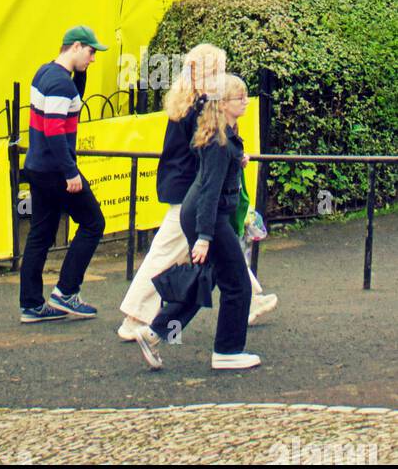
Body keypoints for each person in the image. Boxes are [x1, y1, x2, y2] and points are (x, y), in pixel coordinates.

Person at [118, 47, 276, 341]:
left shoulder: (185, 101)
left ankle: (252, 299)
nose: (223, 77)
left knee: (217, 248)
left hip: (184, 187)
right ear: (206, 72)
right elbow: (207, 151)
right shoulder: (201, 105)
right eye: (218, 70)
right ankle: (135, 317)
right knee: (166, 254)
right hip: (193, 192)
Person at [136, 75, 262, 371]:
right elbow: (209, 190)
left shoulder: (222, 134)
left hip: (200, 214)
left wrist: (237, 160)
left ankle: (154, 332)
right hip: (208, 217)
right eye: (239, 97)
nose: (245, 101)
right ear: (223, 104)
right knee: (237, 284)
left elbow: (213, 172)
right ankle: (227, 352)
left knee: (207, 277)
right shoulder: (219, 141)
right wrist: (205, 237)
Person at [20, 26, 108, 322]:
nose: (93, 59)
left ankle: (31, 304)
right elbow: (54, 130)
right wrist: (71, 172)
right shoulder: (61, 84)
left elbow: (73, 104)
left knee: (40, 234)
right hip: (57, 170)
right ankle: (66, 291)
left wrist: (80, 73)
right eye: (91, 52)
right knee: (93, 222)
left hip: (37, 166)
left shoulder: (45, 73)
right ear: (76, 46)